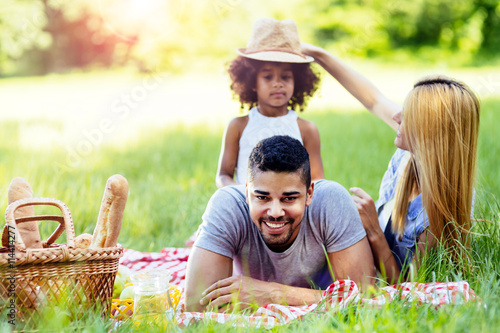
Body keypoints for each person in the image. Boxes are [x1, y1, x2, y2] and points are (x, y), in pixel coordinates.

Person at [301, 44, 480, 283]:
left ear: (430, 132)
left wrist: (373, 229)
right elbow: (373, 99)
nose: (396, 117)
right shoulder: (410, 154)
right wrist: (317, 54)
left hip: (373, 280)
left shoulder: (438, 214)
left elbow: (407, 289)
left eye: (407, 116)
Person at [185, 135, 375, 312]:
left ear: (309, 194)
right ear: (247, 193)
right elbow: (197, 306)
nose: (275, 213)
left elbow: (364, 298)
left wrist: (273, 294)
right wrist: (320, 299)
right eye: (262, 197)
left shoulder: (332, 200)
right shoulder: (227, 204)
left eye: (289, 198)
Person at [216, 18, 324, 188]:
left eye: (286, 77)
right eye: (268, 77)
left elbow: (317, 180)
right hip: (246, 207)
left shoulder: (307, 129)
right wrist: (244, 193)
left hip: (291, 209)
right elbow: (223, 175)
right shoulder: (238, 126)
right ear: (252, 82)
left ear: (298, 81)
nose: (277, 83)